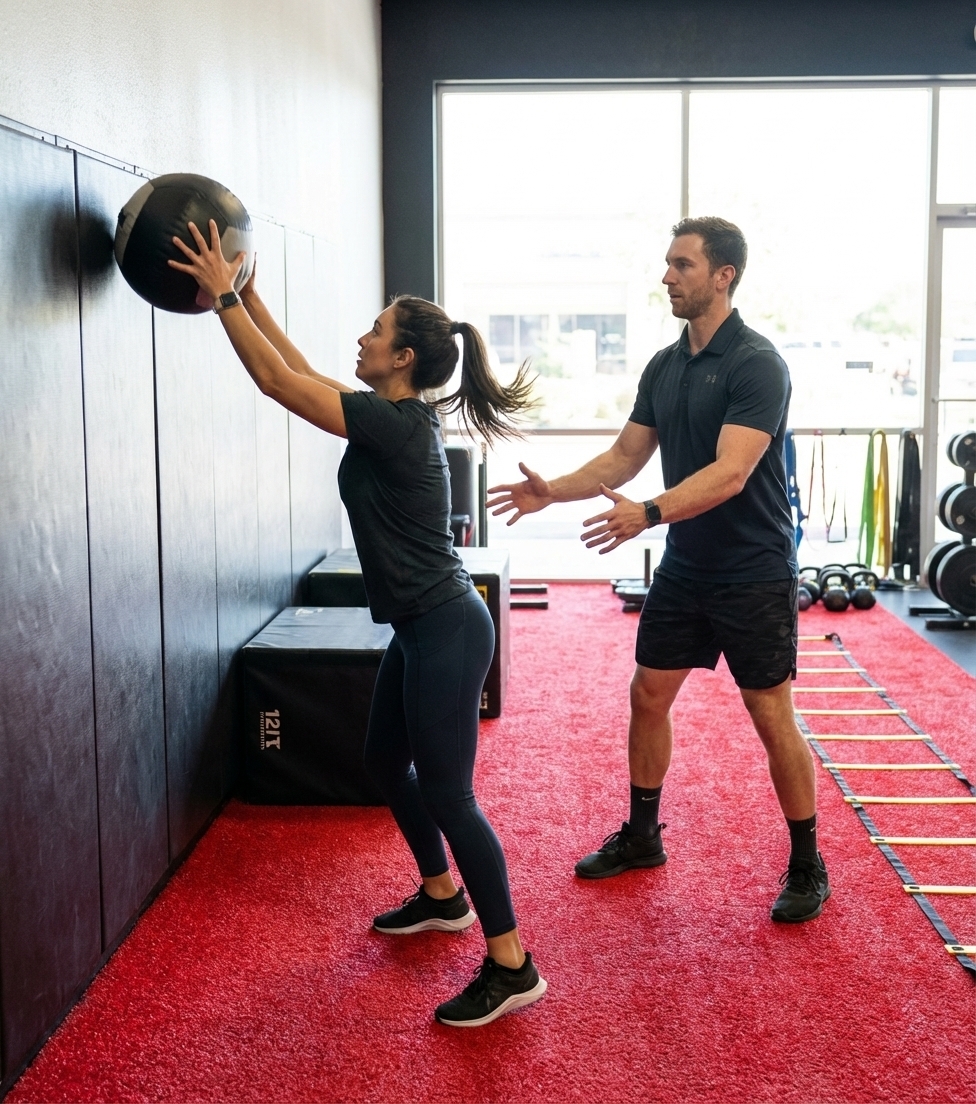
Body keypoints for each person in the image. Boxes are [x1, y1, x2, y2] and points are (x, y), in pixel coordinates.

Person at [169, 219, 547, 1026]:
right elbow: (299, 371)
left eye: (376, 331)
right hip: (420, 629)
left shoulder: (393, 423)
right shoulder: (387, 413)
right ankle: (443, 895)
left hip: (446, 629)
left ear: (404, 357)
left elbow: (278, 385)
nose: (363, 338)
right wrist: (249, 292)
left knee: (451, 795)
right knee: (383, 764)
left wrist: (228, 295)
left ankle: (512, 963)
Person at [488, 216, 829, 924]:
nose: (667, 277)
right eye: (669, 265)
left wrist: (646, 513)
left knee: (771, 715)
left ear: (723, 275)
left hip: (753, 570)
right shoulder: (665, 365)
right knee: (648, 695)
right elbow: (622, 458)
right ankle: (643, 836)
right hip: (687, 566)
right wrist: (552, 488)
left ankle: (807, 862)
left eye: (682, 265)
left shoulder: (756, 363)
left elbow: (732, 473)